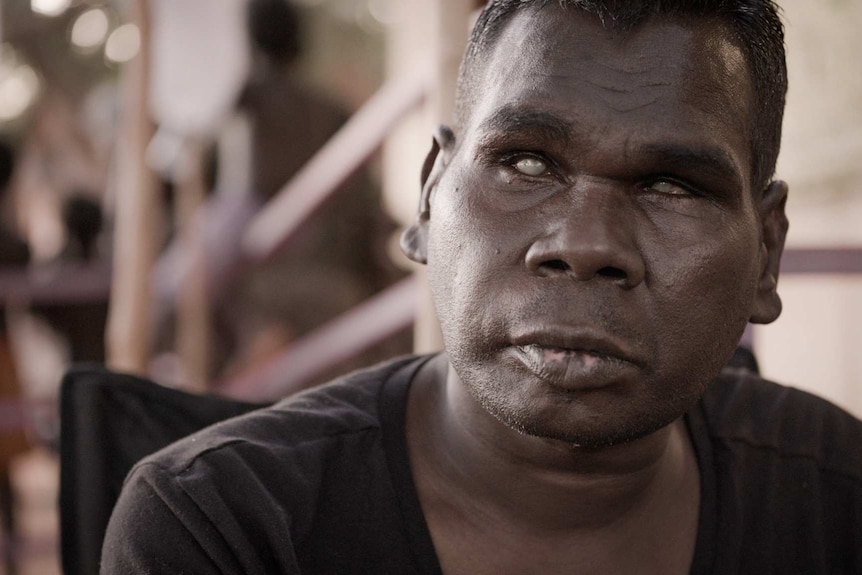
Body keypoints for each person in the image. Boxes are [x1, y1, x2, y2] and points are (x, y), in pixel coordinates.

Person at [101, 1, 862, 573]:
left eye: (671, 185)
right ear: (430, 198)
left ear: (766, 252)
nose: (585, 244)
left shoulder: (835, 495)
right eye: (526, 163)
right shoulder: (222, 528)